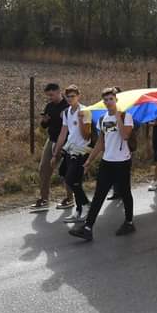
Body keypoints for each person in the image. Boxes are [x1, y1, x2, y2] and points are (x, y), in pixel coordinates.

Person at [68, 88, 135, 241]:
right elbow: (100, 143)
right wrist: (89, 161)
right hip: (107, 162)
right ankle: (87, 228)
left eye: (111, 99)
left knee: (125, 192)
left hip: (122, 162)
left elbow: (125, 136)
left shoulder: (126, 116)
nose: (108, 102)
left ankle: (129, 222)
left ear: (116, 100)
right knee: (99, 195)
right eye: (105, 100)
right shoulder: (102, 119)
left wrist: (118, 117)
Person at [52, 85, 91, 224]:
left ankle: (86, 206)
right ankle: (79, 209)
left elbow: (86, 136)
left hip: (81, 150)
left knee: (71, 180)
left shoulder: (85, 111)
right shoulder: (67, 112)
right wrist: (55, 153)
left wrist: (80, 119)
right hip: (70, 149)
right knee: (66, 175)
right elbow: (63, 133)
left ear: (78, 96)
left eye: (73, 96)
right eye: (68, 96)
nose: (70, 99)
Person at [32, 82, 70, 211]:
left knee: (66, 171)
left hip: (66, 142)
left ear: (59, 91)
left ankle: (70, 198)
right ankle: (44, 199)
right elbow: (44, 126)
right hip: (52, 140)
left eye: (52, 95)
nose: (50, 98)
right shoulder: (49, 106)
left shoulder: (67, 106)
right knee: (43, 168)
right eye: (48, 96)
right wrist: (44, 121)